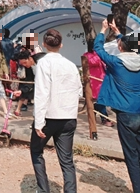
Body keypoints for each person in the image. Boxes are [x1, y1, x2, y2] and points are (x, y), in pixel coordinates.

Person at [95, 19, 140, 193]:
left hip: (125, 114)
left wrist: (103, 30)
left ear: (120, 47)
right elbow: (130, 46)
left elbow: (98, 49)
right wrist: (118, 32)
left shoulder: (116, 62)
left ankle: (138, 190)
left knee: (131, 156)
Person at [30, 29, 82, 193]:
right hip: (68, 116)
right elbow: (79, 90)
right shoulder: (71, 64)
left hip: (49, 117)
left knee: (36, 151)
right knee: (67, 159)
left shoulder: (44, 63)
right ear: (61, 44)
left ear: (44, 45)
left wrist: (38, 122)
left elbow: (41, 93)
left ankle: (43, 189)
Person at [84, 41, 112, 126]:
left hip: (101, 80)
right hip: (94, 82)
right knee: (99, 101)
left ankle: (94, 117)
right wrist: (100, 55)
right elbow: (93, 62)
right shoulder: (87, 55)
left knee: (99, 101)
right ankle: (105, 118)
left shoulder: (99, 54)